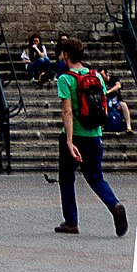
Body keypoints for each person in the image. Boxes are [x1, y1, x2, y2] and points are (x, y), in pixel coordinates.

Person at [55, 35, 129, 238]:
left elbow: (67, 111)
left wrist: (69, 141)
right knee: (96, 178)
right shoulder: (96, 77)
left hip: (75, 135)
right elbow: (102, 105)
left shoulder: (65, 79)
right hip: (94, 135)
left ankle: (71, 222)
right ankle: (114, 205)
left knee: (67, 179)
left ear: (66, 55)